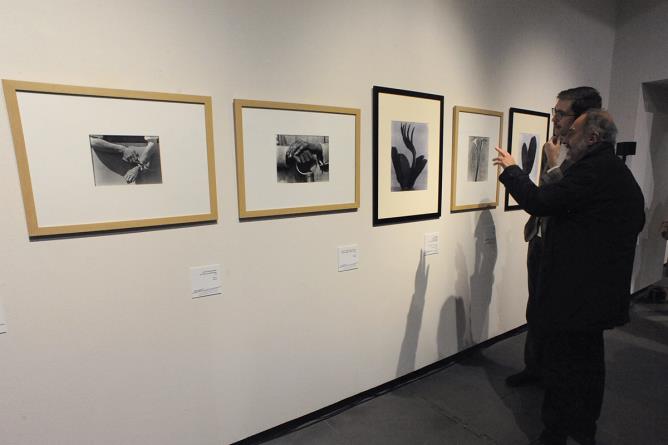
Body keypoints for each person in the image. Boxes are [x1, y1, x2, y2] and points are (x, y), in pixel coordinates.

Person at [493, 110, 645, 445]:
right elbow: (637, 218)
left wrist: (513, 170)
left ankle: (556, 431)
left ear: (592, 138)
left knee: (563, 365)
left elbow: (539, 201)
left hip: (576, 294)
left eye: (572, 130)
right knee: (588, 363)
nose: (564, 137)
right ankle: (583, 428)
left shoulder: (592, 172)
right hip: (597, 292)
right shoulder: (614, 171)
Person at [505, 87, 602, 388]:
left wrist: (555, 164)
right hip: (541, 237)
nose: (555, 119)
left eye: (561, 113)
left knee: (558, 316)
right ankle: (534, 367)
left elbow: (566, 200)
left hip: (567, 250)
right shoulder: (555, 145)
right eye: (555, 112)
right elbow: (545, 196)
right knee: (536, 306)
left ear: (584, 117)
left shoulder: (588, 157)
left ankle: (557, 380)